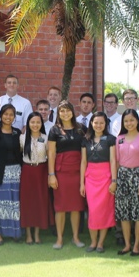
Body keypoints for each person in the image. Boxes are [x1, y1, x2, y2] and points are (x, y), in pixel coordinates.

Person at [48, 100, 86, 249]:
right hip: (61, 173)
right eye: (62, 111)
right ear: (58, 113)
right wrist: (51, 174)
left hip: (78, 172)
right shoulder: (54, 130)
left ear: (72, 111)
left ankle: (75, 237)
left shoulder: (81, 129)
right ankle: (59, 239)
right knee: (61, 207)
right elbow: (51, 153)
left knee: (76, 206)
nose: (65, 113)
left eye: (68, 110)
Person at [80, 112, 116, 253]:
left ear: (106, 124)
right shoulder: (85, 140)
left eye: (101, 123)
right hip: (90, 178)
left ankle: (100, 243)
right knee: (93, 211)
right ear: (91, 123)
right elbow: (83, 162)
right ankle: (93, 242)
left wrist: (114, 180)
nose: (98, 125)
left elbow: (113, 160)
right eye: (96, 122)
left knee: (104, 210)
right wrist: (82, 183)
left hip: (106, 177)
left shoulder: (111, 139)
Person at [0, 104, 23, 244]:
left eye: (11, 114)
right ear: (1, 115)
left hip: (16, 173)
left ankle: (14, 232)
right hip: (0, 174)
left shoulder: (17, 133)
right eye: (6, 114)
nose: (8, 117)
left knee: (15, 204)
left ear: (14, 117)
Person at [115, 109, 139, 256]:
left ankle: (136, 245)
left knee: (138, 212)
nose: (129, 123)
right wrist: (115, 180)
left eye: (132, 120)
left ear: (137, 121)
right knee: (124, 213)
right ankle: (127, 244)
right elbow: (116, 161)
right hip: (122, 176)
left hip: (137, 175)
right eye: (126, 121)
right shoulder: (119, 138)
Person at [20, 112, 51, 245]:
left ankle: (37, 233)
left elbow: (50, 156)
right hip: (27, 171)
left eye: (38, 122)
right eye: (32, 122)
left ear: (41, 124)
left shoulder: (45, 138)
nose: (35, 125)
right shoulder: (22, 138)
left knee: (39, 202)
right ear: (28, 123)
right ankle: (28, 234)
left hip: (41, 171)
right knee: (27, 202)